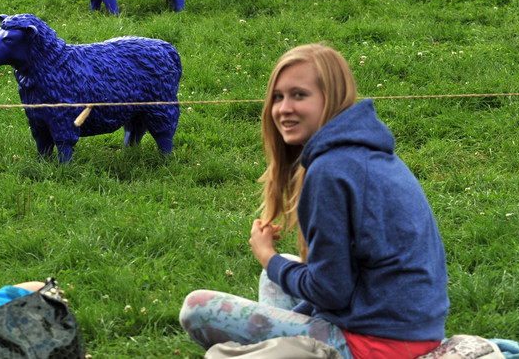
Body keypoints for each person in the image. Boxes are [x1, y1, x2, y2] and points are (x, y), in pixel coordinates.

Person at [180, 44, 449, 359]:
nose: (283, 108)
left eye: (299, 95)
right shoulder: (362, 150)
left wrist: (268, 256)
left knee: (198, 308)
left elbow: (331, 291)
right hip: (413, 329)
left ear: (331, 98)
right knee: (275, 277)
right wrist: (277, 269)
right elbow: (336, 281)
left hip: (375, 343)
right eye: (278, 97)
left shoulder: (330, 170)